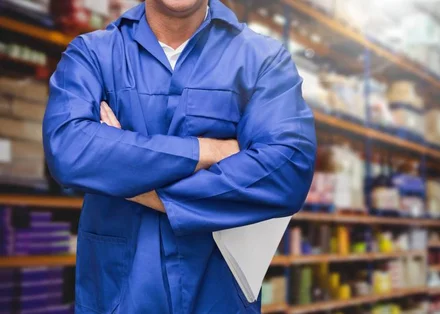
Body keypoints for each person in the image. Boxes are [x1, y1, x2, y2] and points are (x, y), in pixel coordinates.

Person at [42, 0, 317, 312]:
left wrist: (129, 179)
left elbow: (287, 171)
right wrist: (210, 150)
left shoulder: (262, 60)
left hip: (220, 299)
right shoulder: (93, 55)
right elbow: (69, 149)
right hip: (118, 297)